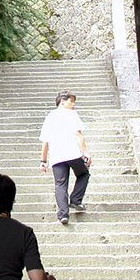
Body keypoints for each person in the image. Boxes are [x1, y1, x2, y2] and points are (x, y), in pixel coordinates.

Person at [39, 91, 90, 225]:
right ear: (62, 101)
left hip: (56, 156)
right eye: (71, 101)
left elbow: (45, 141)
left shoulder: (50, 117)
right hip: (72, 153)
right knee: (84, 174)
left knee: (60, 184)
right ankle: (75, 200)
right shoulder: (71, 114)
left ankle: (63, 214)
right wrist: (85, 152)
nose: (73, 104)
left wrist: (43, 161)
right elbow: (78, 134)